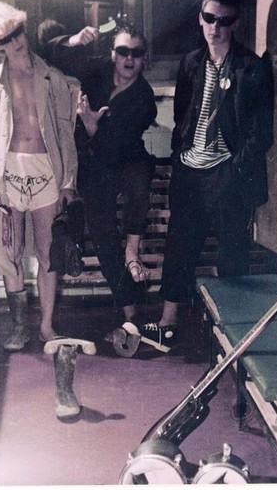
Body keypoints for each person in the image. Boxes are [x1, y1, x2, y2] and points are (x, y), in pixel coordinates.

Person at [139, 0, 274, 352]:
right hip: (190, 171)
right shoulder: (191, 63)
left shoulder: (252, 68)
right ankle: (167, 326)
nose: (215, 27)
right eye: (209, 18)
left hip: (227, 174)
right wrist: (182, 155)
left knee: (232, 254)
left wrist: (233, 170)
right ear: (200, 18)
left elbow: (261, 133)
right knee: (179, 248)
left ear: (236, 22)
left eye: (224, 21)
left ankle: (233, 339)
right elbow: (184, 114)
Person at [0, 2, 80, 350]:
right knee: (10, 252)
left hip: (46, 170)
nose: (15, 42)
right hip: (8, 174)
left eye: (17, 33)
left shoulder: (53, 78)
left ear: (24, 30)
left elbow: (66, 135)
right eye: (5, 39)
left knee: (48, 253)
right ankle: (19, 327)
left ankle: (46, 326)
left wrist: (69, 182)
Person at [47, 24, 157, 329]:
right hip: (94, 169)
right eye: (123, 51)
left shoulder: (144, 98)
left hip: (126, 160)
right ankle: (130, 311)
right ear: (112, 54)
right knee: (103, 236)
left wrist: (92, 128)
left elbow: (118, 147)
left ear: (144, 58)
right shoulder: (96, 71)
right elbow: (50, 53)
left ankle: (132, 249)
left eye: (136, 53)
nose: (129, 58)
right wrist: (73, 40)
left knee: (139, 179)